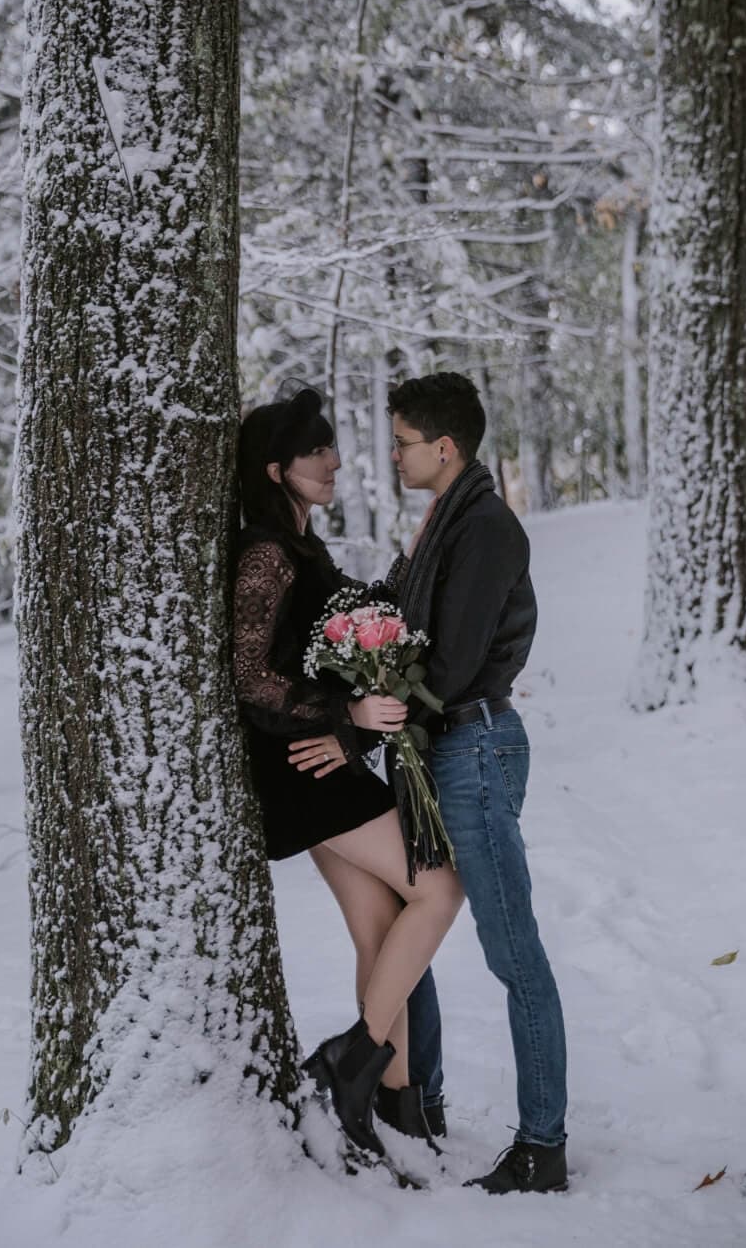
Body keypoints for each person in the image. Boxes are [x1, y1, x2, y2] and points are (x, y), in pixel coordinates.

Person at [233, 387, 464, 1157]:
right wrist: (348, 718)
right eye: (315, 451)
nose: (333, 460)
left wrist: (417, 549)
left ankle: (390, 1112)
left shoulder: (302, 548)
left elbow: (359, 614)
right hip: (305, 764)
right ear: (275, 469)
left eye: (331, 446)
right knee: (438, 889)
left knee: (378, 929)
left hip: (315, 762)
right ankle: (352, 1057)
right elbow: (250, 678)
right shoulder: (266, 553)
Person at [387, 371, 569, 1195]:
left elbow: (452, 663)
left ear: (445, 447)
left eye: (403, 442)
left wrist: (379, 687)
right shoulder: (444, 523)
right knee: (408, 924)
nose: (394, 454)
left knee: (510, 950)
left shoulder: (486, 528)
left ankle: (543, 1144)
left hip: (476, 753)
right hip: (442, 751)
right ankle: (415, 1098)